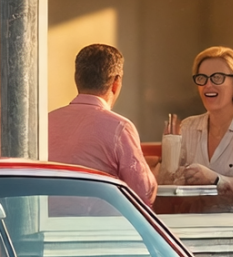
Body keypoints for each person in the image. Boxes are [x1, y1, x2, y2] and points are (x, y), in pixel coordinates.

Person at [162, 46, 233, 213]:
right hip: (200, 225)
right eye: (202, 78)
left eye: (217, 78)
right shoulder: (188, 127)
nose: (208, 85)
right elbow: (169, 181)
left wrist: (215, 179)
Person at [47, 43, 156, 201]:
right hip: (98, 223)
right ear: (116, 83)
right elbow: (144, 193)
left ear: (77, 78)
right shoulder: (120, 128)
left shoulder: (46, 122)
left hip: (45, 222)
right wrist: (156, 172)